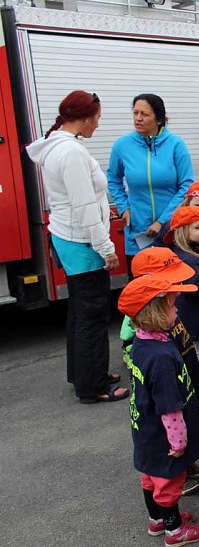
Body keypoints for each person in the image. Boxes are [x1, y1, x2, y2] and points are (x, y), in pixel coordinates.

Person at [26, 90, 124, 404]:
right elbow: (84, 205)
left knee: (79, 312)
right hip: (82, 241)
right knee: (93, 315)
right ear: (84, 118)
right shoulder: (71, 152)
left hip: (68, 237)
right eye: (97, 118)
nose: (98, 124)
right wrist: (106, 248)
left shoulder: (57, 145)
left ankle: (83, 373)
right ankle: (93, 386)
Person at [118, 275, 199, 546]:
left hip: (145, 429)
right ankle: (174, 529)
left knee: (150, 475)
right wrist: (179, 441)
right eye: (171, 306)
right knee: (169, 481)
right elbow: (169, 406)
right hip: (163, 435)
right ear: (154, 314)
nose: (177, 310)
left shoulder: (142, 343)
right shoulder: (160, 357)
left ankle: (157, 518)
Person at [107, 93, 194, 261]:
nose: (138, 118)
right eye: (135, 113)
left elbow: (186, 185)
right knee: (141, 283)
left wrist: (162, 221)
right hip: (138, 232)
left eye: (144, 114)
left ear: (159, 119)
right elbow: (113, 179)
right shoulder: (122, 145)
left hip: (171, 231)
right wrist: (123, 207)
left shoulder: (176, 144)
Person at [165, 206, 199, 412]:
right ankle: (198, 396)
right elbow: (195, 289)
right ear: (182, 232)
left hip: (193, 318)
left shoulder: (192, 255)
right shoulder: (186, 260)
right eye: (197, 227)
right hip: (193, 320)